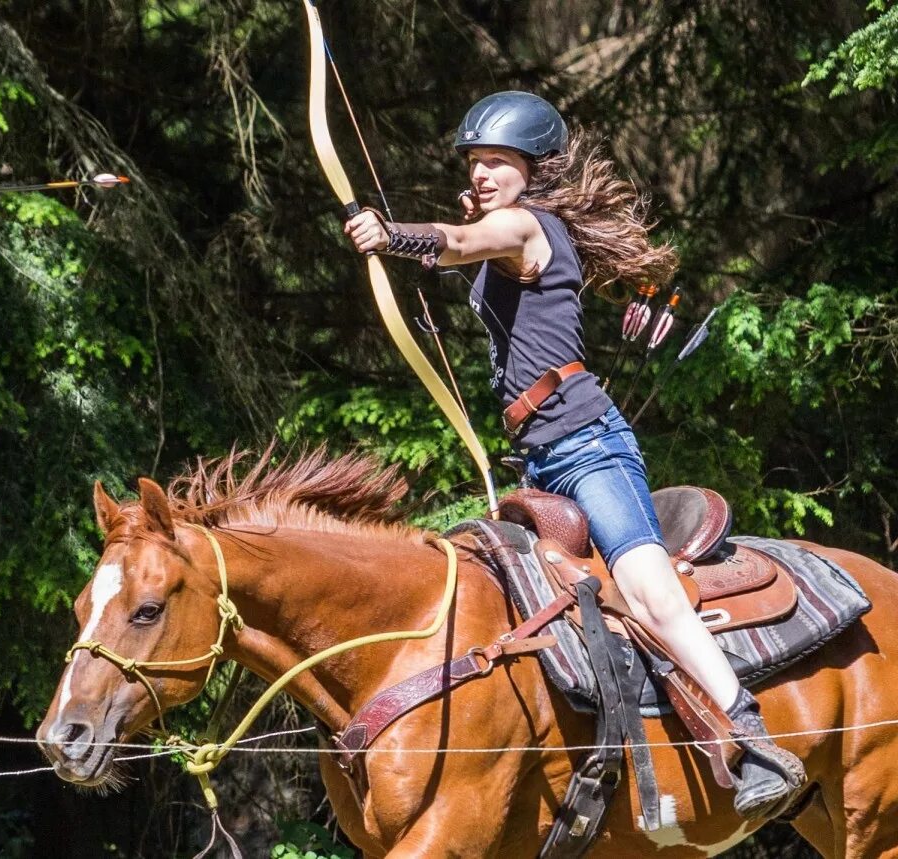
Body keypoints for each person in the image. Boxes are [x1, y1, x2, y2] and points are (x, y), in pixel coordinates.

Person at [343, 91, 805, 820]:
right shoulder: (506, 227)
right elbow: (472, 243)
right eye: (476, 161)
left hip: (590, 447)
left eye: (499, 160)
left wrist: (390, 234)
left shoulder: (531, 224)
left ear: (534, 170)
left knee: (648, 587)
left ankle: (749, 732)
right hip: (541, 465)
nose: (484, 171)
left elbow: (459, 245)